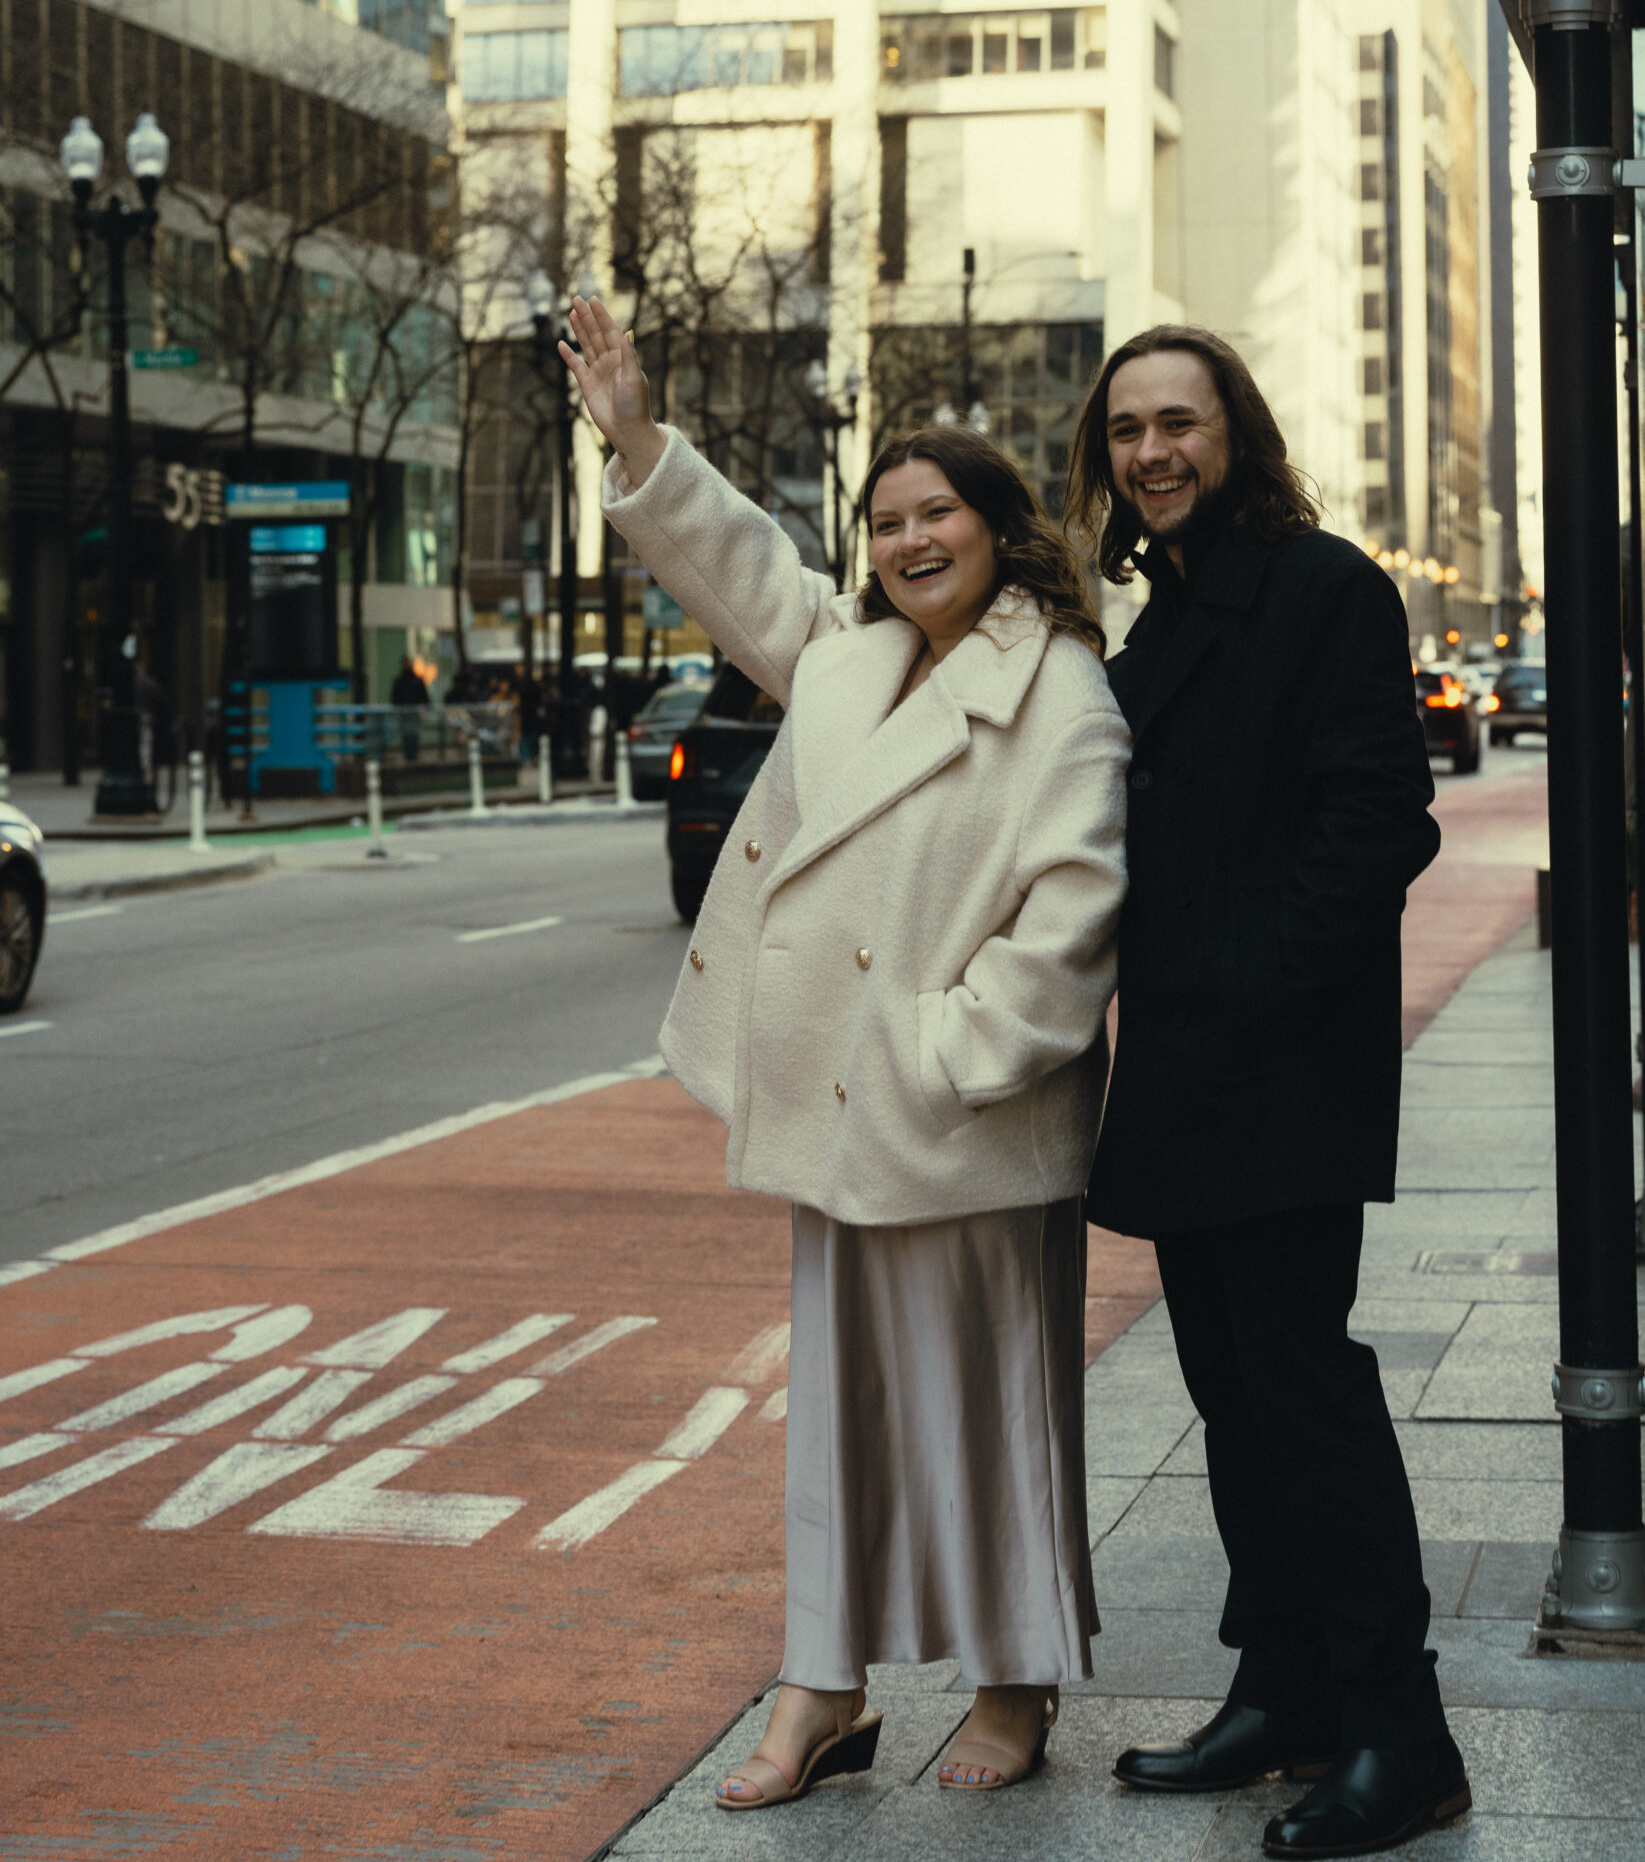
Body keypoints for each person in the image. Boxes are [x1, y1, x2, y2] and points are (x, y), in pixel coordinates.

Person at [562, 295, 1129, 1810]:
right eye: (883, 520)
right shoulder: (844, 658)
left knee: (995, 1408)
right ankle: (824, 1687)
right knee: (836, 1418)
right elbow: (742, 564)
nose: (904, 541)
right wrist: (633, 434)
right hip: (844, 1102)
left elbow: (1073, 911)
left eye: (934, 512)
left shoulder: (1059, 687)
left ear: (998, 528)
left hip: (965, 1113)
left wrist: (950, 1050)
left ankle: (1011, 1684)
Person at [1062, 326, 1468, 1861]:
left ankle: (1399, 1729)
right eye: (1125, 433)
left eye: (1178, 423)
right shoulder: (1151, 627)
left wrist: (1246, 982)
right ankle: (1284, 1685)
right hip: (1178, 1070)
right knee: (1230, 1394)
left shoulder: (1322, 588)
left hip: (1278, 1066)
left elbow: (1379, 821)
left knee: (1301, 1392)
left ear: (1237, 432)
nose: (1150, 453)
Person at [389, 653, 429, 764]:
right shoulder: (399, 681)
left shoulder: (417, 680)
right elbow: (394, 699)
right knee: (406, 735)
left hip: (414, 713)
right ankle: (408, 757)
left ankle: (414, 756)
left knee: (414, 735)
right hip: (404, 714)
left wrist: (422, 711)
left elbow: (425, 698)